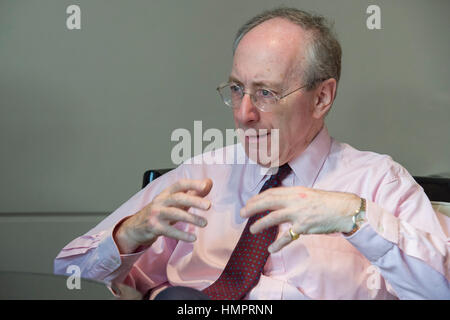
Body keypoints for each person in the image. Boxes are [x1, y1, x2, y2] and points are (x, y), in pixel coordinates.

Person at [54, 7, 449, 299]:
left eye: (266, 93)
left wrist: (354, 217)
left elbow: (440, 288)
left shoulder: (378, 181)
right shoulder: (205, 172)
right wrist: (131, 233)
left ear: (322, 97)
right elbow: (71, 265)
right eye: (237, 89)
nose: (244, 114)